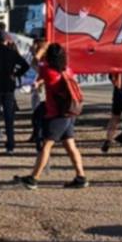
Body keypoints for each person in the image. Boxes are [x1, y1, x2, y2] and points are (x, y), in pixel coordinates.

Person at [14, 43, 89, 189]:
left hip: (55, 114)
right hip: (68, 113)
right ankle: (81, 176)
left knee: (46, 146)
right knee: (70, 145)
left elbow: (34, 62)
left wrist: (42, 49)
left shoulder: (47, 70)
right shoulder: (67, 70)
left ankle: (33, 178)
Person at [25, 39, 49, 145]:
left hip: (42, 89)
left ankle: (40, 134)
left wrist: (38, 52)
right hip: (36, 88)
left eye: (35, 45)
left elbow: (42, 70)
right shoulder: (37, 59)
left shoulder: (45, 59)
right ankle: (36, 133)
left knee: (39, 113)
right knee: (35, 113)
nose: (32, 46)